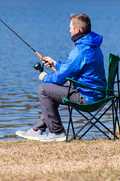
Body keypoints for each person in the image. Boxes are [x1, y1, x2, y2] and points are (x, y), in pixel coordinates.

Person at [16, 13, 107, 141]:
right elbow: (72, 69)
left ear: (77, 30)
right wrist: (55, 64)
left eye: (70, 28)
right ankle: (37, 129)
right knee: (50, 91)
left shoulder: (80, 51)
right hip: (98, 94)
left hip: (87, 98)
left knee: (44, 89)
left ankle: (56, 132)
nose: (69, 30)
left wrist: (44, 77)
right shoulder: (92, 46)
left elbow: (60, 78)